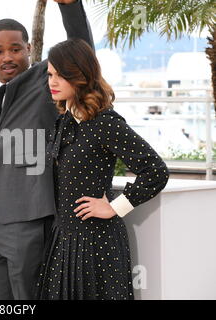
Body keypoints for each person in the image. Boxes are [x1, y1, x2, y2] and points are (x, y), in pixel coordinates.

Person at [0, 0, 93, 299]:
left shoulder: (45, 81)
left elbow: (80, 47)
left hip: (29, 217)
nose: (7, 57)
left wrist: (70, 6)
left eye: (15, 49)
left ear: (29, 49)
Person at [37, 38, 169, 300]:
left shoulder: (104, 122)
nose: (52, 82)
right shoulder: (63, 122)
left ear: (80, 75)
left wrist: (114, 207)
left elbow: (156, 170)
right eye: (50, 74)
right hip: (63, 239)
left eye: (61, 75)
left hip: (96, 244)